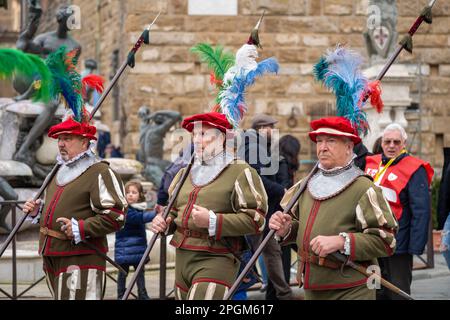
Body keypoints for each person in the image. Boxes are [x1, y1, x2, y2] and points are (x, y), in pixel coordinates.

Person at [269, 116, 398, 300]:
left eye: (331, 141)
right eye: (319, 141)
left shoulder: (364, 188)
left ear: (348, 147)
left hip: (352, 288)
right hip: (313, 286)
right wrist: (287, 230)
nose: (323, 147)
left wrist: (341, 241)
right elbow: (305, 230)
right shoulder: (307, 185)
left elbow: (386, 241)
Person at [151, 111, 267, 300]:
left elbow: (256, 220)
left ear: (221, 138)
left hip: (217, 256)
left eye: (203, 134)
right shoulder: (183, 172)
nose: (196, 140)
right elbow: (173, 210)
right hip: (182, 255)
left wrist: (213, 220)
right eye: (194, 135)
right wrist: (164, 221)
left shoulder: (241, 171)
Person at [22, 116, 127, 300]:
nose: (61, 143)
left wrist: (81, 227)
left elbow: (116, 216)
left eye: (68, 138)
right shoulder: (58, 170)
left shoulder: (100, 172)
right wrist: (38, 213)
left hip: (82, 257)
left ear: (84, 142)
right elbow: (63, 208)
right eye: (60, 139)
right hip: (53, 254)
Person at [365, 123, 434, 300]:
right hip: (372, 241)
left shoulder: (414, 168)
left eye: (397, 142)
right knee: (373, 289)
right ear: (381, 143)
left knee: (397, 291)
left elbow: (421, 211)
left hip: (399, 244)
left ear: (404, 143)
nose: (391, 145)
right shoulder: (371, 163)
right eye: (387, 141)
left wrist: (415, 246)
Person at [240, 114, 297, 300]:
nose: (273, 131)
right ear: (262, 129)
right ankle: (283, 293)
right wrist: (282, 190)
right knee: (266, 253)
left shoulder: (256, 146)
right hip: (259, 211)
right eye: (271, 127)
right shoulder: (254, 147)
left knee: (268, 252)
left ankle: (281, 293)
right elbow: (255, 180)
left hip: (263, 210)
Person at [115, 181, 155, 300]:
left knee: (140, 274)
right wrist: (156, 213)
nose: (130, 195)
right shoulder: (125, 209)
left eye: (134, 192)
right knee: (122, 274)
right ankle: (121, 296)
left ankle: (142, 294)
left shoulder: (139, 208)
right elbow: (138, 218)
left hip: (138, 247)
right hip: (124, 248)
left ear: (140, 195)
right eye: (127, 192)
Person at [274, 134, 301, 294]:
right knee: (282, 257)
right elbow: (285, 191)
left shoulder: (278, 161)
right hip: (282, 217)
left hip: (279, 215)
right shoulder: (284, 163)